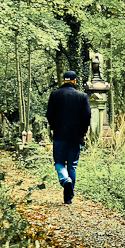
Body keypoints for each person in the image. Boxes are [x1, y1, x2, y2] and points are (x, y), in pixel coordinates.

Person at [45, 70, 91, 204]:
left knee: (59, 162)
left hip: (60, 135)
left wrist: (54, 127)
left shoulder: (55, 95)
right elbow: (87, 116)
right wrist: (82, 132)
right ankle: (68, 198)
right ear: (74, 81)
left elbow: (49, 114)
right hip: (76, 136)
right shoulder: (82, 96)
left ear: (64, 81)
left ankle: (65, 180)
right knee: (72, 165)